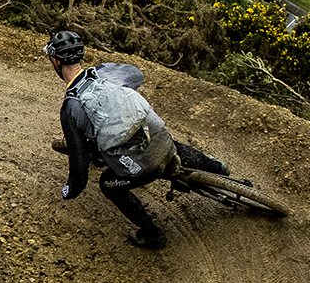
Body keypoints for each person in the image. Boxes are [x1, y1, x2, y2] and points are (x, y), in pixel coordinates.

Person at [45, 29, 228, 249]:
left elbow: (79, 165)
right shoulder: (104, 73)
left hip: (143, 167)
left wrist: (70, 190)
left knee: (108, 185)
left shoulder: (71, 107)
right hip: (159, 137)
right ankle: (220, 169)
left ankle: (153, 235)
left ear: (56, 61)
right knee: (170, 145)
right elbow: (136, 75)